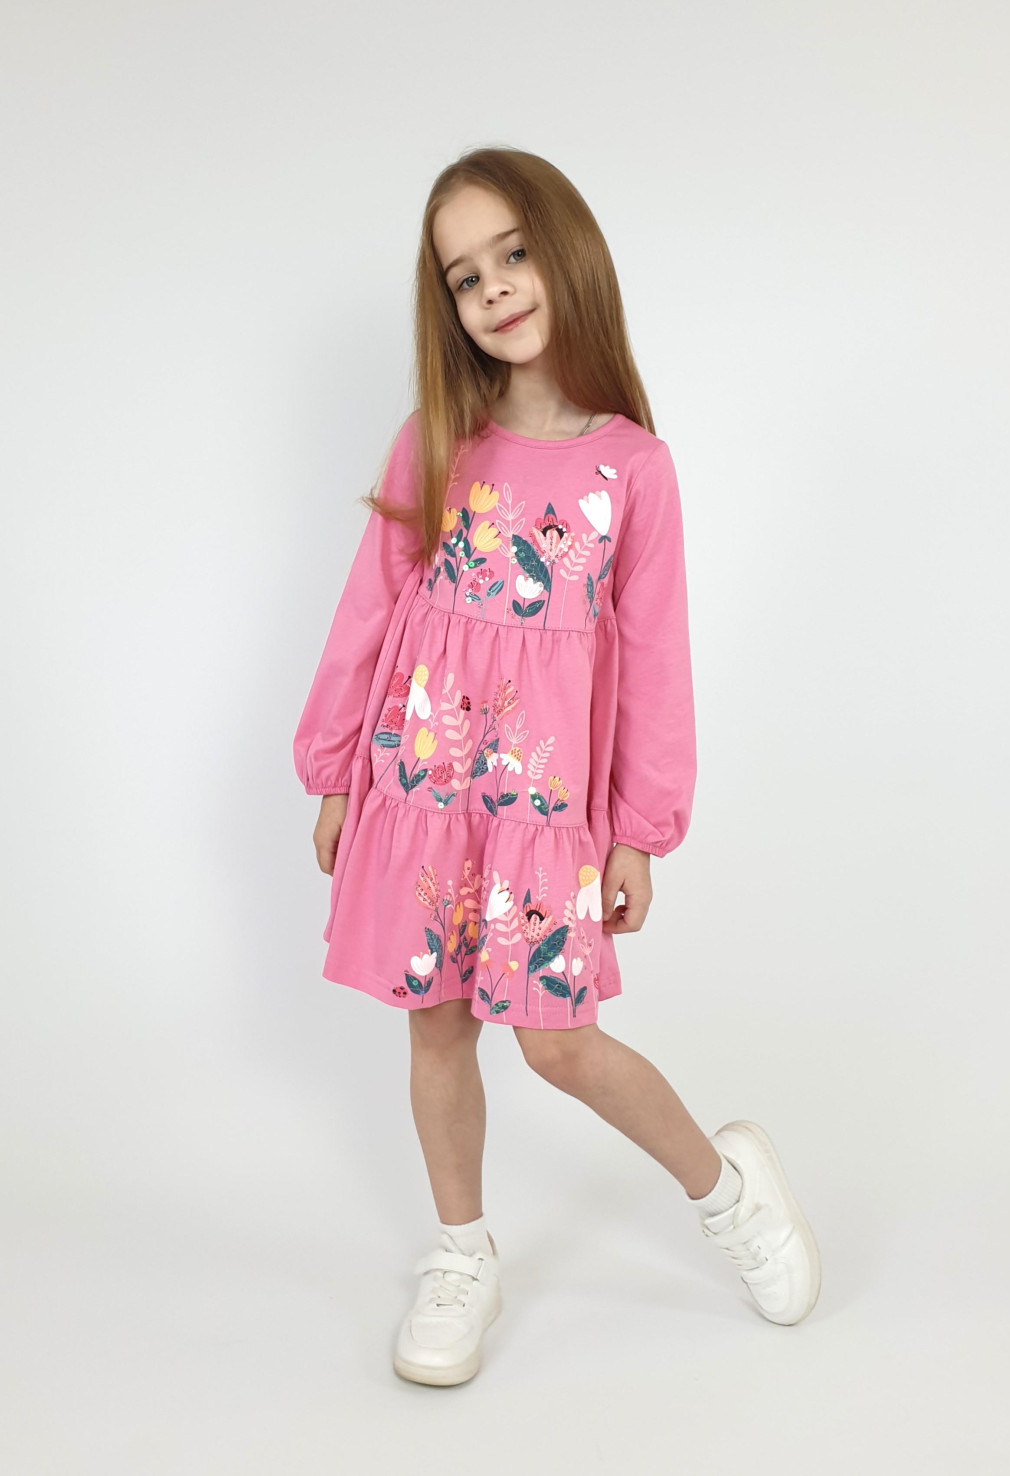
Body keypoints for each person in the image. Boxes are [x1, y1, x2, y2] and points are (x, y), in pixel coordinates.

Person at [293, 146, 820, 1387]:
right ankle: (460, 1252)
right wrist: (334, 771)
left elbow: (654, 659)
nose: (492, 287)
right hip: (423, 790)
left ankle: (726, 1188)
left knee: (557, 1043)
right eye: (462, 275)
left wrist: (638, 827)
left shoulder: (631, 469)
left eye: (513, 254)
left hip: (540, 811)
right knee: (434, 1026)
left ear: (565, 251)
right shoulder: (435, 441)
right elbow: (368, 608)